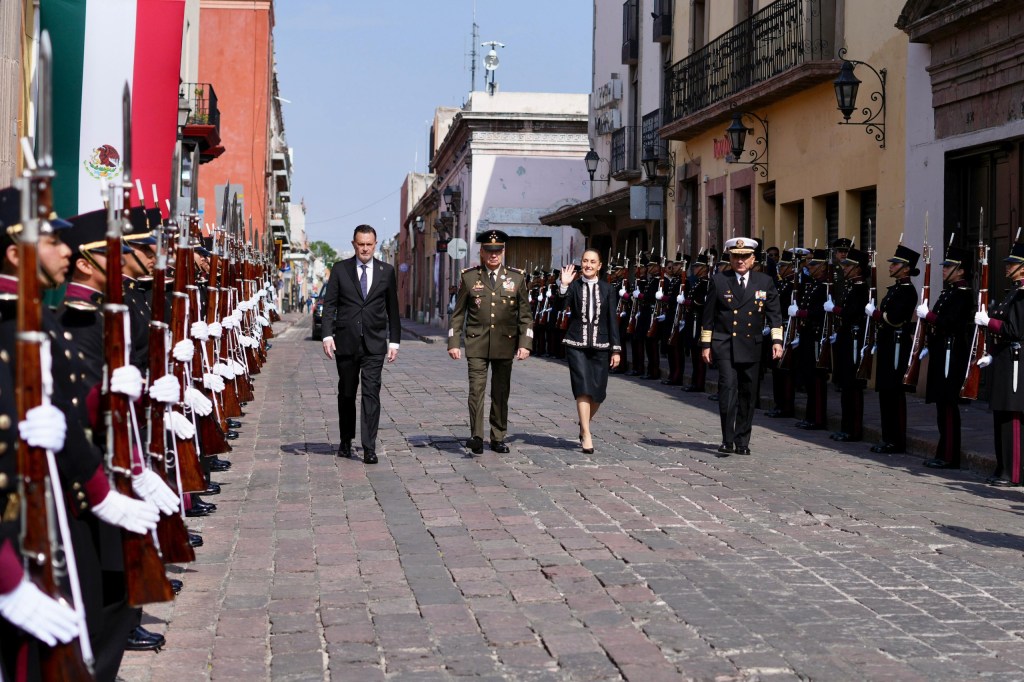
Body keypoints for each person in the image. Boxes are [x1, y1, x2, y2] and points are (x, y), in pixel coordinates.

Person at [447, 229, 533, 455]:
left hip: (505, 343)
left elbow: (526, 316)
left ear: (503, 251)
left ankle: (498, 436)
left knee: (500, 391)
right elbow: (458, 314)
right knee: (476, 390)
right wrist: (453, 342)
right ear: (482, 252)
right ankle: (476, 435)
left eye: (498, 250)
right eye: (489, 251)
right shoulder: (469, 277)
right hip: (476, 343)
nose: (494, 255)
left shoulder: (517, 278)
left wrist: (525, 344)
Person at [320, 225, 401, 464]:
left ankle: (369, 447)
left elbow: (393, 310)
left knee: (371, 394)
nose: (365, 248)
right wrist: (327, 335)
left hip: (375, 344)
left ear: (375, 245)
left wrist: (394, 341)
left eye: (369, 244)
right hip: (346, 342)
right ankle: (346, 440)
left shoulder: (386, 271)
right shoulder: (340, 269)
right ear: (354, 244)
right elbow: (329, 306)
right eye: (361, 244)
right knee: (346, 393)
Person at [701, 237, 784, 456]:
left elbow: (775, 313)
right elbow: (708, 316)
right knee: (728, 390)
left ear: (753, 259)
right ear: (730, 257)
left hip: (751, 344)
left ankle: (742, 440)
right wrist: (706, 344)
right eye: (736, 257)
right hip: (725, 344)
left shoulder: (764, 281)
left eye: (745, 257)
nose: (740, 261)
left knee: (748, 394)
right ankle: (727, 439)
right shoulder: (719, 280)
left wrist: (777, 340)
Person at [554, 250, 622, 453]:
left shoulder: (608, 289)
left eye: (593, 262)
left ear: (600, 265)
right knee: (582, 388)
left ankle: (584, 423)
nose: (588, 265)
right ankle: (586, 433)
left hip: (601, 344)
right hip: (576, 343)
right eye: (585, 261)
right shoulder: (574, 286)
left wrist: (616, 349)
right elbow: (559, 306)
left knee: (598, 393)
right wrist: (563, 285)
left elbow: (612, 320)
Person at [918, 244, 974, 468]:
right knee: (942, 405)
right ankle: (943, 451)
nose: (944, 269)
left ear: (960, 270)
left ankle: (950, 455)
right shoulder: (949, 292)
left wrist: (929, 316)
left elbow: (950, 323)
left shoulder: (962, 295)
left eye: (949, 266)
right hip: (942, 352)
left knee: (949, 405)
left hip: (952, 353)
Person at [975, 241, 1024, 485]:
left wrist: (988, 322)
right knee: (1001, 418)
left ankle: (1013, 473)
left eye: (1013, 263)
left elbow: (1015, 330)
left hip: (1017, 364)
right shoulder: (1013, 294)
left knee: (1012, 419)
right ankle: (1001, 467)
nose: (1008, 267)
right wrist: (992, 353)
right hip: (1004, 361)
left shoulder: (1022, 296)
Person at [866, 243, 920, 454]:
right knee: (885, 393)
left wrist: (876, 314)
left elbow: (895, 319)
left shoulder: (907, 291)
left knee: (895, 393)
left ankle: (896, 440)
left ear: (905, 268)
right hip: (888, 344)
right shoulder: (896, 289)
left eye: (895, 264)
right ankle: (887, 437)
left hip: (898, 345)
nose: (890, 267)